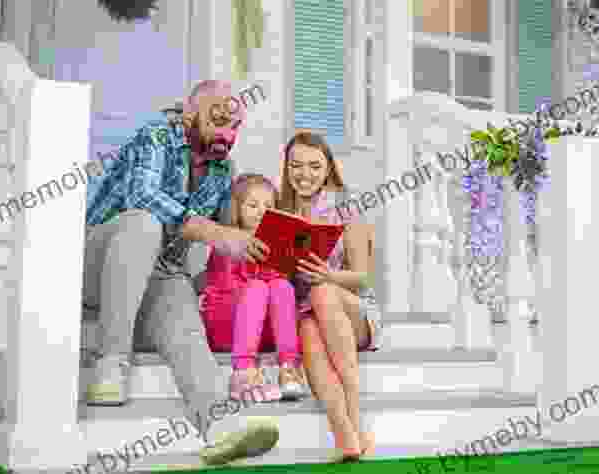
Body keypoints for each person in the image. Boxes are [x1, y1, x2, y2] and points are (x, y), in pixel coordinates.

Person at [81, 79, 279, 466]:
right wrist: (217, 232)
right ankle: (111, 360)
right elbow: (143, 197)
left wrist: (273, 244)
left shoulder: (223, 171)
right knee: (143, 224)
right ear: (189, 113)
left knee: (184, 319)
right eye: (219, 120)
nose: (227, 132)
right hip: (101, 260)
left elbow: (231, 236)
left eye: (235, 126)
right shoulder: (155, 136)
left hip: (161, 271)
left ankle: (220, 427)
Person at [278, 131, 383, 461]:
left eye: (314, 166)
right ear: (286, 168)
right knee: (308, 329)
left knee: (322, 293)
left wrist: (327, 276)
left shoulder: (346, 206)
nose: (304, 174)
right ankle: (345, 436)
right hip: (310, 312)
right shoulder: (280, 210)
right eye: (296, 165)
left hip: (356, 312)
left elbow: (362, 277)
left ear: (328, 169)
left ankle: (354, 411)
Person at [200, 173, 307, 403]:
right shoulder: (227, 243)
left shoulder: (275, 244)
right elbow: (224, 292)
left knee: (282, 286)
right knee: (258, 287)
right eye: (253, 205)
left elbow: (279, 295)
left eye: (268, 206)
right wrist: (258, 280)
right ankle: (243, 371)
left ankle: (289, 366)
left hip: (262, 331)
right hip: (227, 325)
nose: (261, 211)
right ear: (237, 209)